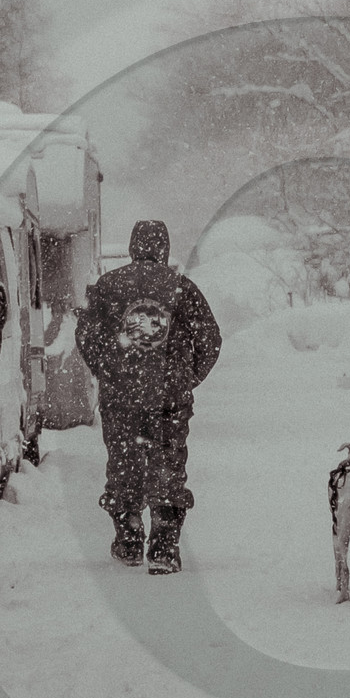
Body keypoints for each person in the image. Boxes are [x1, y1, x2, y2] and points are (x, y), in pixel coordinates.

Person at [75, 219, 222, 573]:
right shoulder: (181, 287)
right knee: (168, 466)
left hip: (121, 397)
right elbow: (210, 339)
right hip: (169, 398)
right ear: (164, 248)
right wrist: (186, 378)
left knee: (124, 464)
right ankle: (164, 548)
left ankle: (128, 540)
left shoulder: (109, 286)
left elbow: (86, 335)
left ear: (132, 247)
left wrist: (106, 371)